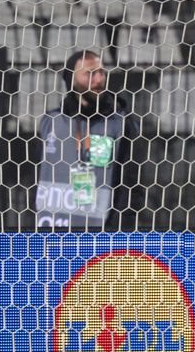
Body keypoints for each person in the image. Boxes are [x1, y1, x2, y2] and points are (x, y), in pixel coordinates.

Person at [33, 49, 141, 231]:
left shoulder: (120, 124)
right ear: (71, 79)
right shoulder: (50, 122)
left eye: (102, 72)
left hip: (101, 234)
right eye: (90, 74)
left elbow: (131, 185)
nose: (99, 80)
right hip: (52, 231)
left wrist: (120, 233)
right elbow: (36, 176)